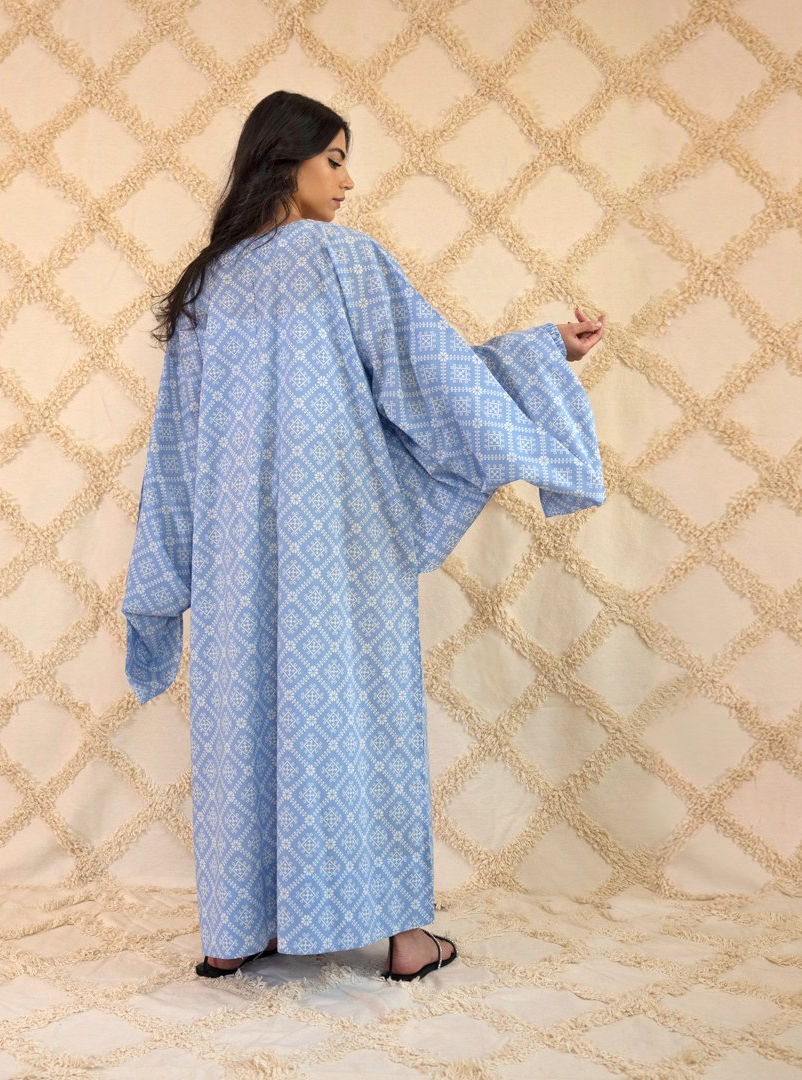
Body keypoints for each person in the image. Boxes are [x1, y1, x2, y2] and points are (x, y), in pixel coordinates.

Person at [121, 91, 607, 981]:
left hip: (233, 556)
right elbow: (437, 380)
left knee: (242, 722)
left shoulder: (206, 283)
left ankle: (235, 932)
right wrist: (547, 354)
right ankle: (405, 940)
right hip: (335, 545)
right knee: (357, 715)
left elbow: (175, 444)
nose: (347, 181)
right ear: (287, 159)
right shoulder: (343, 259)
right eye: (335, 159)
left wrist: (168, 571)